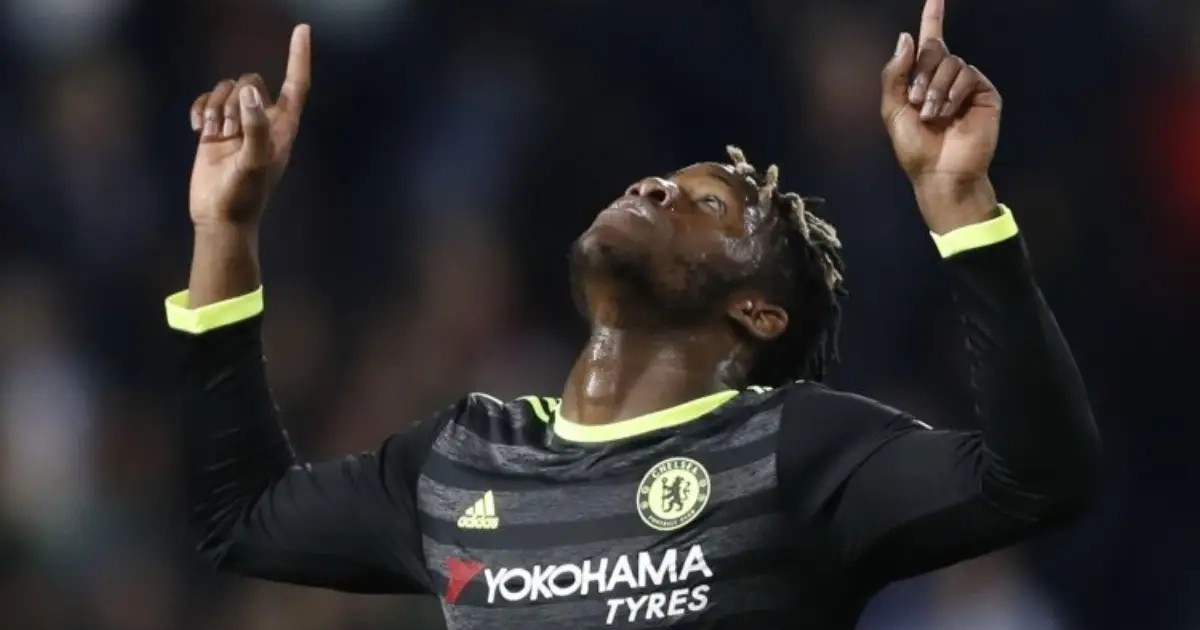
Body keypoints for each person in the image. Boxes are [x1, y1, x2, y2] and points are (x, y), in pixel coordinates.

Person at [169, 1, 1099, 628]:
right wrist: (225, 229)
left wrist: (960, 202)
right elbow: (240, 515)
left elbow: (1038, 479)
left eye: (709, 206)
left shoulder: (795, 450)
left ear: (759, 313)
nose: (657, 187)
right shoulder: (461, 458)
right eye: (664, 181)